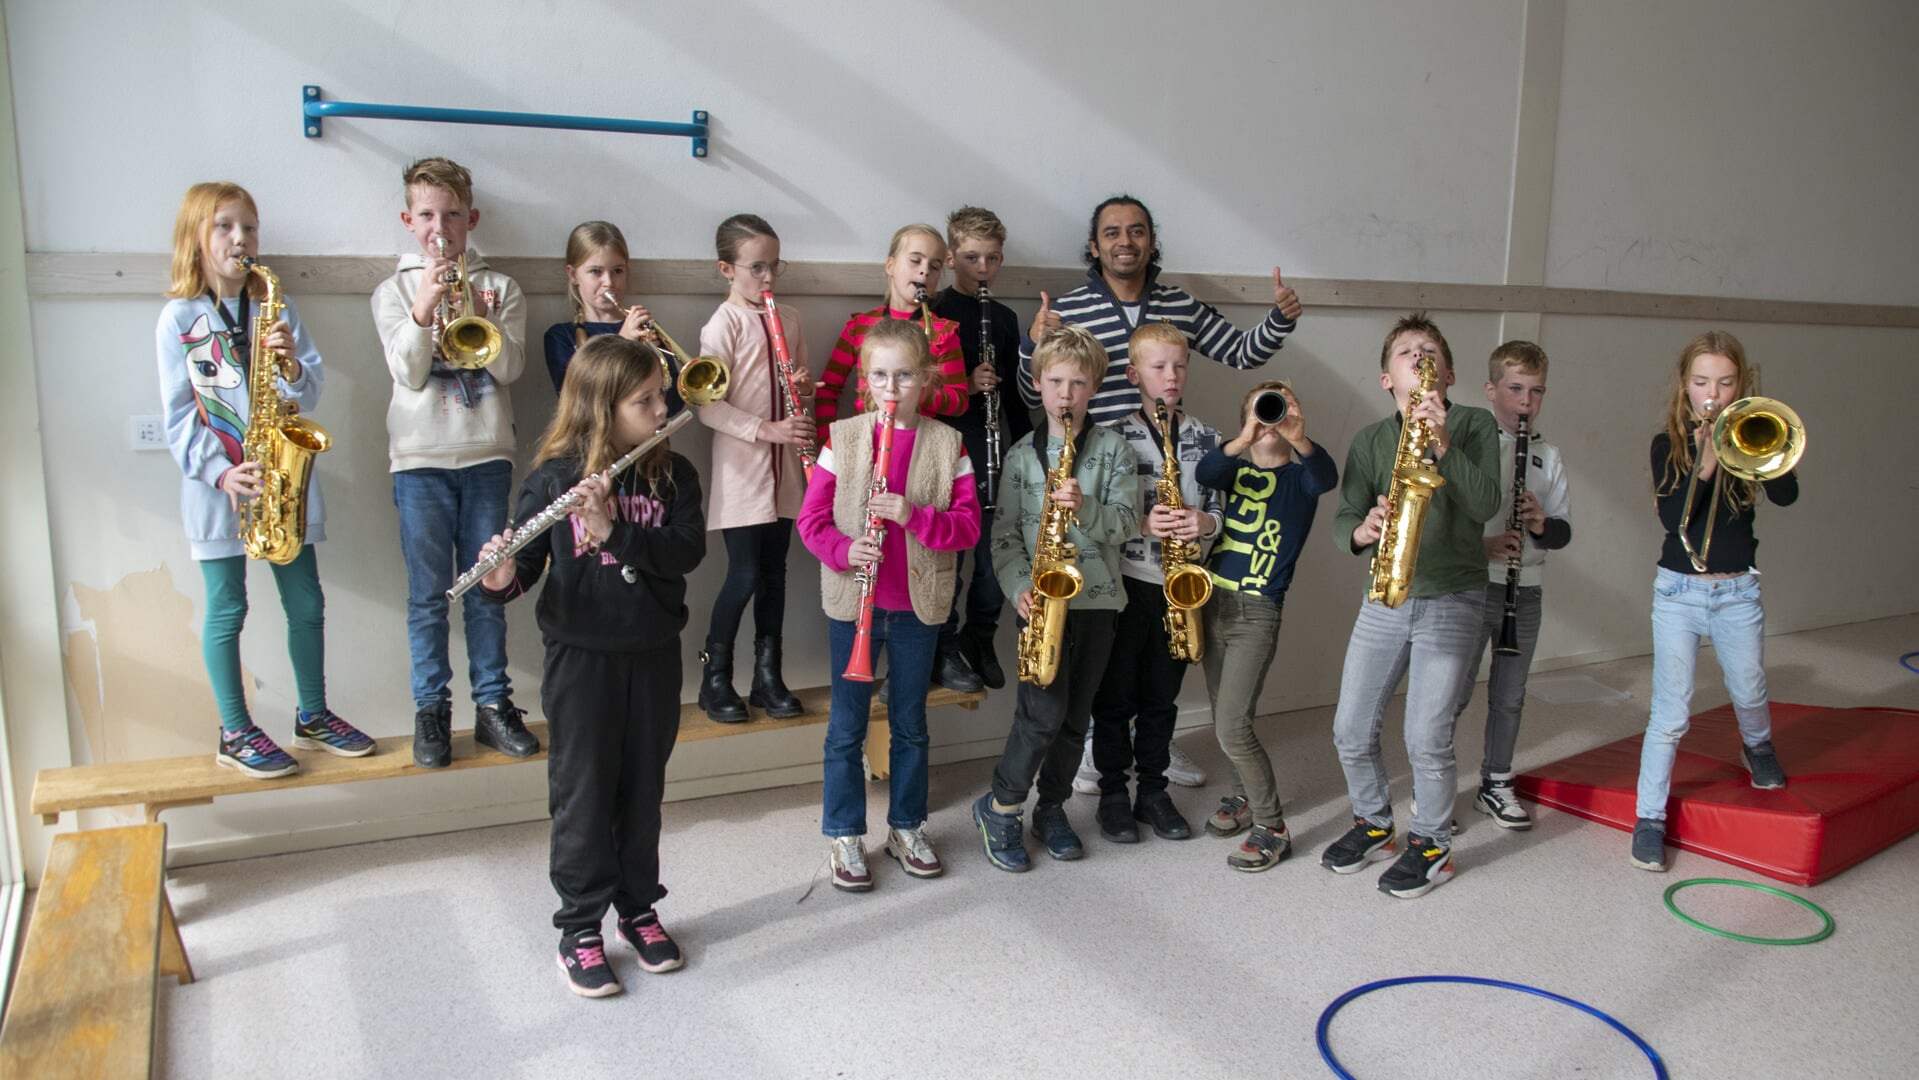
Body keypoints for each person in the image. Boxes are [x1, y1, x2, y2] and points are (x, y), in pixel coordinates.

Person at [474, 335, 704, 997]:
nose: (662, 408)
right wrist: (501, 574)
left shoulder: (673, 475)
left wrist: (614, 531)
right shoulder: (553, 478)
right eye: (645, 400)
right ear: (602, 408)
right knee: (582, 794)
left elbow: (685, 551)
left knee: (640, 791)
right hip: (582, 661)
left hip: (653, 653)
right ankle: (579, 928)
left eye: (662, 396)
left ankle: (636, 907)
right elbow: (524, 575)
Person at [157, 182, 373, 778]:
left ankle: (313, 714)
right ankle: (235, 729)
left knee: (306, 601)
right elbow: (178, 418)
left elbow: (309, 390)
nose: (240, 239)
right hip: (220, 486)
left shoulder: (276, 307)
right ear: (197, 239)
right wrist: (221, 472)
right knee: (227, 609)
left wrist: (290, 363)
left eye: (248, 228)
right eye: (225, 227)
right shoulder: (180, 318)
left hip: (282, 478)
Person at [797, 319, 981, 890]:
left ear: (925, 378)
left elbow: (968, 526)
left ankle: (906, 826)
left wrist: (913, 516)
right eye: (880, 375)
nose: (892, 387)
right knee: (846, 728)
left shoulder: (948, 444)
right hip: (855, 604)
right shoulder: (842, 438)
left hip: (918, 606)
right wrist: (846, 549)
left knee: (911, 724)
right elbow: (811, 523)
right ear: (864, 378)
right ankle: (845, 835)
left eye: (904, 375)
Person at [1322, 313, 1500, 899]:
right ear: (1386, 378)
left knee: (1426, 735)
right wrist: (1363, 529)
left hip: (1453, 596)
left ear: (1448, 373)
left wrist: (1444, 441)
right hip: (1386, 594)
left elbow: (1483, 505)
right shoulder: (1372, 441)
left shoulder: (1473, 424)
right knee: (1350, 727)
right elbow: (1344, 516)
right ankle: (1374, 823)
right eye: (1406, 352)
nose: (1419, 358)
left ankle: (1432, 844)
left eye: (1430, 352)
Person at [372, 157, 537, 769]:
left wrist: (481, 315)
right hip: (418, 460)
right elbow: (409, 371)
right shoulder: (392, 291)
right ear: (408, 221)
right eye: (426, 216)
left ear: (471, 219)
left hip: (487, 452)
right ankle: (432, 711)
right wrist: (423, 307)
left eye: (450, 216)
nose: (439, 227)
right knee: (427, 595)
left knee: (489, 588)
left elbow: (510, 367)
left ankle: (493, 707)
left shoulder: (503, 288)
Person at [971, 327, 1140, 872]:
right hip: (1042, 604)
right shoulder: (1021, 457)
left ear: (1093, 389)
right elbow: (1003, 540)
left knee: (1075, 718)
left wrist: (1086, 506)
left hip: (1097, 603)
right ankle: (1000, 807)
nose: (1066, 394)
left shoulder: (1114, 450)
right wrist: (1021, 588)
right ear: (1039, 385)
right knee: (1040, 715)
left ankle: (1052, 808)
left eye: (1078, 383)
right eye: (1056, 382)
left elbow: (1128, 525)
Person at [1631, 330, 1799, 872]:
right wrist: (1705, 454)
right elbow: (1674, 515)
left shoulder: (1751, 435)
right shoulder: (1668, 444)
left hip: (1736, 591)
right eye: (1702, 382)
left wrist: (1767, 451)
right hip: (1678, 592)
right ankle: (1649, 818)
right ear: (1685, 386)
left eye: (1725, 383)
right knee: (1671, 711)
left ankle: (1759, 746)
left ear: (1740, 386)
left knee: (1749, 687)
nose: (1713, 393)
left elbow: (1788, 496)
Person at [1086, 322, 1225, 844]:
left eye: (1179, 365)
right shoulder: (1110, 436)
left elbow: (1219, 508)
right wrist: (1141, 523)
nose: (1171, 376)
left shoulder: (1209, 439)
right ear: (1133, 373)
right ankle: (1113, 795)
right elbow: (1095, 511)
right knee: (1115, 695)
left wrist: (1203, 523)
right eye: (1158, 366)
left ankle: (1153, 790)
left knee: (1162, 697)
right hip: (1126, 583)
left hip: (1179, 585)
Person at [1194, 380, 1337, 870]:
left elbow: (1327, 474)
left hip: (1258, 611)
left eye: (1280, 409)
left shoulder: (1302, 479)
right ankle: (1242, 796)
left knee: (1233, 725)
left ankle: (1272, 826)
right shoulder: (1233, 468)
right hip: (1213, 600)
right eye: (1262, 409)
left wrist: (1298, 435)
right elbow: (1206, 469)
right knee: (1225, 716)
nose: (1271, 418)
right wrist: (1243, 436)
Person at [1016, 194, 1302, 427]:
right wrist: (1032, 342)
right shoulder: (1066, 312)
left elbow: (1242, 353)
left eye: (1137, 232)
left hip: (1166, 459)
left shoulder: (1179, 304)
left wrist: (1281, 318)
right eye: (1112, 233)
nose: (1125, 242)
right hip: (1096, 464)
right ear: (1094, 247)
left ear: (1152, 243)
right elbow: (1031, 397)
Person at [692, 214, 812, 723]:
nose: (768, 278)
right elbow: (706, 405)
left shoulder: (790, 318)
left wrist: (801, 391)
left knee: (774, 576)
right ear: (727, 269)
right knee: (742, 575)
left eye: (774, 266)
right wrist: (766, 430)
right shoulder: (722, 323)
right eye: (756, 267)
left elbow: (802, 393)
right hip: (743, 469)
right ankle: (714, 675)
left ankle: (768, 677)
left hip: (786, 470)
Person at [1448, 341, 1571, 830]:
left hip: (1527, 589)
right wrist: (1484, 546)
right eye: (1516, 389)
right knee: (1452, 693)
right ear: (1491, 389)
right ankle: (1433, 786)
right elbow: (1445, 525)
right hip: (1472, 583)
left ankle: (1496, 782)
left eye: (1536, 391)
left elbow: (1562, 532)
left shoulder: (1548, 455)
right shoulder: (1466, 444)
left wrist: (1539, 523)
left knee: (1510, 695)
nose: (1526, 401)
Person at [929, 206, 1032, 691]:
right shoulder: (934, 311)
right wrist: (966, 384)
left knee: (996, 555)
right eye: (972, 258)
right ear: (951, 258)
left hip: (995, 450)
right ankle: (943, 643)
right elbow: (922, 389)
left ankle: (980, 633)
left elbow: (1014, 396)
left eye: (992, 259)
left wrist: (1029, 450)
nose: (983, 269)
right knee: (951, 553)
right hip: (949, 445)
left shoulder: (1007, 318)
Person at [813, 227, 971, 511]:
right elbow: (828, 390)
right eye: (915, 260)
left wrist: (915, 392)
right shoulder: (859, 325)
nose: (924, 272)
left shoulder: (943, 332)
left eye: (934, 267)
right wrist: (830, 445)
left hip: (922, 449)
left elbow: (959, 400)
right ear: (890, 266)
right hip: (864, 446)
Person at [540, 220, 680, 418]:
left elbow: (672, 405)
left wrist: (653, 357)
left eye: (617, 271)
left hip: (649, 442)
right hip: (594, 445)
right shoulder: (561, 336)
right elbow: (576, 405)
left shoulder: (644, 328)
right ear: (573, 275)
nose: (609, 282)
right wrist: (623, 344)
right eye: (596, 271)